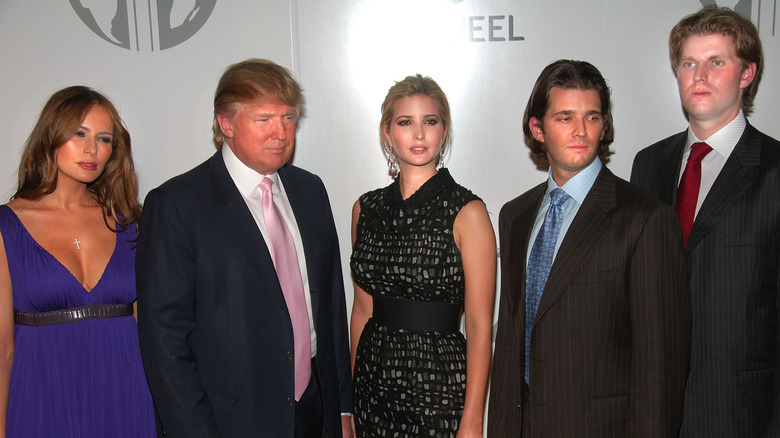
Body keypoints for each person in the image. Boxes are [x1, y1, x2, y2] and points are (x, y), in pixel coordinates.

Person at [136, 58, 353, 438]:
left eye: (288, 118)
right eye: (264, 118)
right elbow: (164, 341)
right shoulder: (178, 204)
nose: (281, 133)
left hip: (314, 413)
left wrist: (342, 410)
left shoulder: (310, 191)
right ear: (226, 124)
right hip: (229, 421)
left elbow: (331, 311)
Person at [488, 60, 691, 437]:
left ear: (604, 125)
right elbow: (511, 348)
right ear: (537, 128)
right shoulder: (514, 215)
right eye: (565, 117)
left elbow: (660, 371)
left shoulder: (645, 219)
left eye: (592, 117)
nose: (581, 131)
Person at [630, 6, 779, 437]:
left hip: (744, 413)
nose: (700, 76)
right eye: (689, 63)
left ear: (747, 74)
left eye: (717, 62)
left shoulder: (774, 168)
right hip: (655, 410)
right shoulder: (648, 164)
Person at [0, 86, 154, 437]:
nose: (92, 150)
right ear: (50, 136)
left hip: (126, 390)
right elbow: (2, 347)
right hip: (39, 392)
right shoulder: (6, 226)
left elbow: (146, 325)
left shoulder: (132, 223)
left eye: (104, 139)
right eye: (78, 134)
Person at [350, 74, 496, 437]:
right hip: (372, 386)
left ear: (443, 131)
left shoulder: (468, 212)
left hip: (439, 388)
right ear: (387, 133)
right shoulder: (365, 209)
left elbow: (479, 326)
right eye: (405, 123)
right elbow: (362, 310)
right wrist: (350, 398)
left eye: (430, 122)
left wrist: (472, 421)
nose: (419, 134)